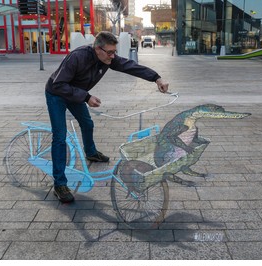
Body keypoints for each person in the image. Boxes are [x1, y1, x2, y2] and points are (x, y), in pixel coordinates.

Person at [45, 31, 169, 203]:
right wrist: (87, 97)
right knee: (60, 137)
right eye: (110, 52)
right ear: (98, 49)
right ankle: (59, 185)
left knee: (87, 123)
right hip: (56, 94)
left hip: (75, 94)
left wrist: (157, 78)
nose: (113, 56)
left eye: (114, 52)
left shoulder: (108, 58)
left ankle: (91, 153)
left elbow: (131, 66)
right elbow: (59, 84)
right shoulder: (77, 57)